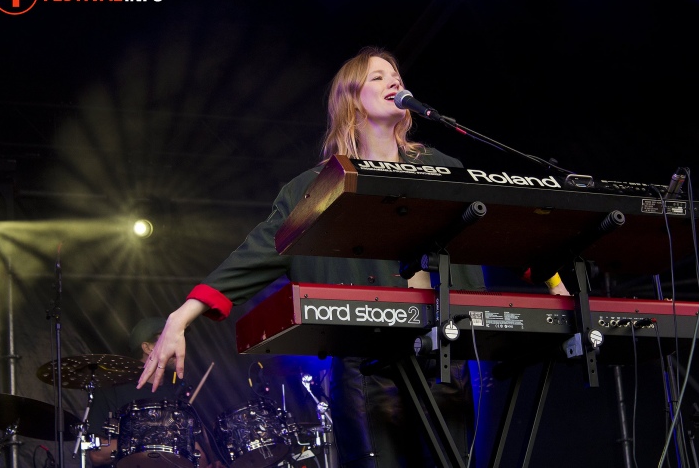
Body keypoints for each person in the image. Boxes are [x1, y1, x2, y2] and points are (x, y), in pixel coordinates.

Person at [137, 46, 569, 467]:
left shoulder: (443, 167)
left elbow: (502, 232)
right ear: (351, 103)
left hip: (444, 356)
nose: (393, 81)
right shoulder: (317, 188)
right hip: (366, 363)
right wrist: (181, 317)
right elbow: (256, 252)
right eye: (377, 77)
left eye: (396, 75)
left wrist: (555, 284)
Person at [87, 317, 213, 468]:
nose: (179, 345)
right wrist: (154, 439)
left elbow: (199, 456)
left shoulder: (177, 396)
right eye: (170, 339)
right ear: (147, 348)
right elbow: (97, 453)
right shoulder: (111, 390)